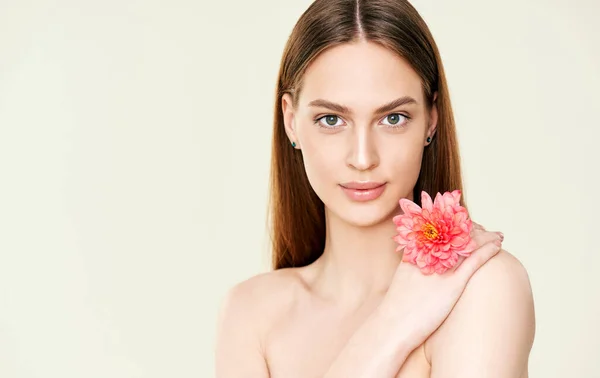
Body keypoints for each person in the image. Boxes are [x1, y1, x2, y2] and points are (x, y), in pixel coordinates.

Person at [215, 0, 536, 376]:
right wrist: (392, 324)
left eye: (393, 118)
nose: (363, 157)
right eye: (331, 119)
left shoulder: (482, 287)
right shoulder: (251, 313)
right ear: (291, 121)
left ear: (431, 120)